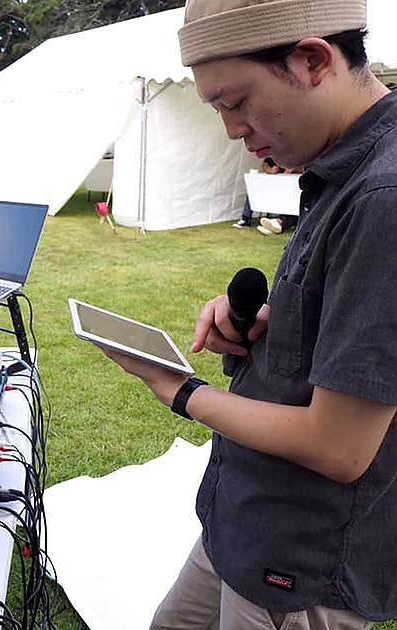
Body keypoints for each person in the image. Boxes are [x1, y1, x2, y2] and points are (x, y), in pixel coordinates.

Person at [102, 1, 397, 628]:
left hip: (301, 560)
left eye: (236, 102)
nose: (232, 130)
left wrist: (180, 390)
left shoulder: (384, 197)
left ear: (312, 60)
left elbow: (341, 447)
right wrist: (273, 320)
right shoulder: (341, 163)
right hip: (247, 518)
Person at [233, 157, 286, 228]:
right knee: (251, 194)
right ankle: (245, 219)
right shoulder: (264, 176)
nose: (262, 167)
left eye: (264, 165)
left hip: (278, 197)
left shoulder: (284, 175)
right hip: (266, 196)